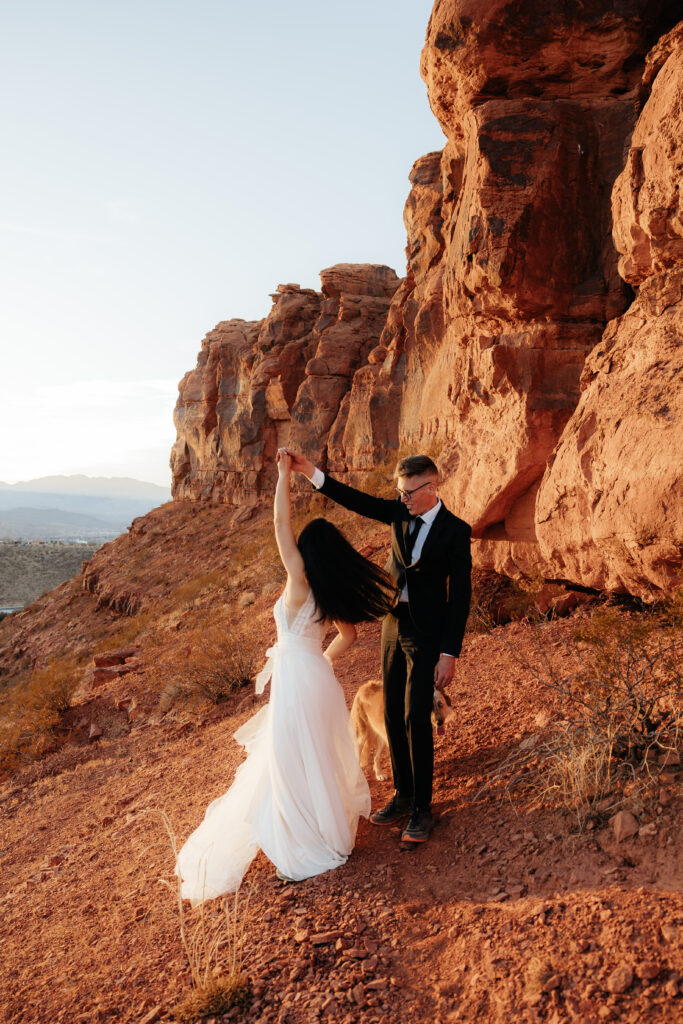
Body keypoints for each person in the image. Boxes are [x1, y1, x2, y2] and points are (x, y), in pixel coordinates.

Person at [175, 450, 396, 903]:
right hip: (315, 675)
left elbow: (280, 525)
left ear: (307, 553)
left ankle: (302, 848)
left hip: (299, 677)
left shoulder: (298, 579)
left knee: (290, 761)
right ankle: (326, 833)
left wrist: (282, 476)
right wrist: (321, 660)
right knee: (317, 756)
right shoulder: (329, 590)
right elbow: (349, 636)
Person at [286, 450, 472, 844]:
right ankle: (403, 795)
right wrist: (310, 473)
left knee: (413, 717)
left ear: (431, 486)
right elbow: (359, 501)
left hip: (426, 634)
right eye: (398, 491)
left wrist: (449, 654)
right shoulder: (399, 513)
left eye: (408, 492)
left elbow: (460, 598)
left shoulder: (456, 531)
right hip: (393, 624)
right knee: (389, 711)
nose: (401, 498)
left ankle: (423, 809)